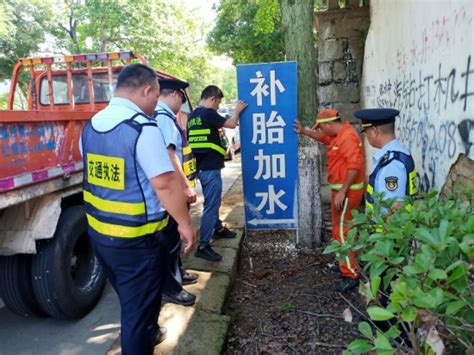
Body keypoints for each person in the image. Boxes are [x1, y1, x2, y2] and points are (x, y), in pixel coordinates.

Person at [81, 63, 194, 355]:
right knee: (137, 317)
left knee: (133, 301)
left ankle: (151, 333)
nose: (155, 103)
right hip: (137, 241)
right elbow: (166, 184)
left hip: (101, 236)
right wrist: (184, 223)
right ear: (146, 90)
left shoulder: (91, 126)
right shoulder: (142, 128)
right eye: (155, 96)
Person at [294, 109, 365, 292]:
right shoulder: (337, 135)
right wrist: (304, 131)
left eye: (322, 127)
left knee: (344, 231)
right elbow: (323, 138)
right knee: (338, 229)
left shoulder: (348, 137)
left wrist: (342, 191)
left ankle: (350, 275)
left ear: (330, 124)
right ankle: (344, 262)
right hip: (340, 193)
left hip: (347, 194)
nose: (322, 131)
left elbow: (354, 167)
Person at [188, 85, 247, 262]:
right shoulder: (208, 113)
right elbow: (231, 124)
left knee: (210, 201)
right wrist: (237, 111)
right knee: (211, 206)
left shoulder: (193, 116)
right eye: (219, 102)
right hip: (210, 169)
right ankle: (204, 245)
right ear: (213, 98)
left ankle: (218, 229)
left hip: (201, 167)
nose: (219, 106)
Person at [154, 77, 199, 306]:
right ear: (173, 94)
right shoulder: (163, 119)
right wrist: (185, 186)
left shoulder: (162, 116)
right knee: (170, 239)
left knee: (173, 239)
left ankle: (179, 274)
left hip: (171, 189)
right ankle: (171, 288)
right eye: (182, 97)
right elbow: (171, 157)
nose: (182, 102)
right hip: (171, 191)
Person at [354, 108, 417, 212]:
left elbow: (394, 209)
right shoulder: (397, 154)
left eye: (366, 132)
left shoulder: (392, 164)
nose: (366, 136)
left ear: (374, 131)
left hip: (386, 228)